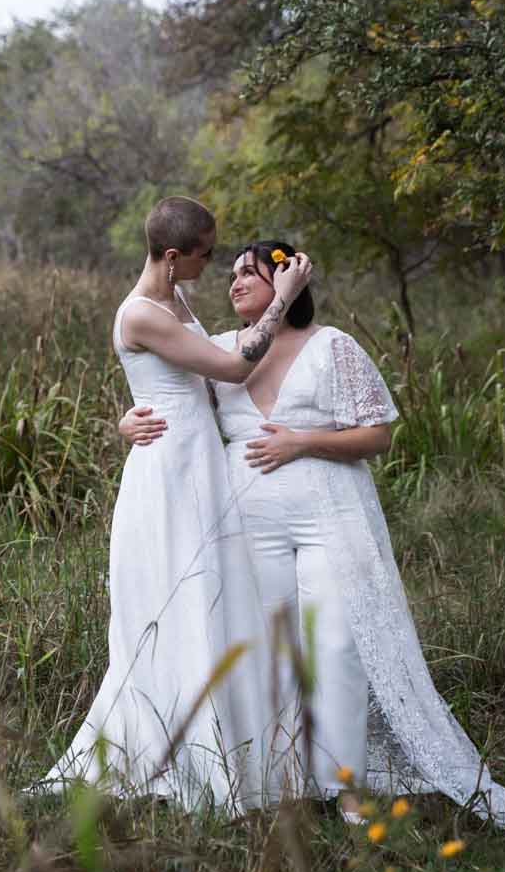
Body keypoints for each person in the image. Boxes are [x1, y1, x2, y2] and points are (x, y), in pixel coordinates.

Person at [119, 241, 505, 827]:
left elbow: (377, 436)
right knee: (268, 651)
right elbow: (173, 401)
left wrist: (303, 442)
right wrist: (129, 420)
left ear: (285, 282)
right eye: (229, 275)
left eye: (247, 274)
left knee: (336, 647)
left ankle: (347, 791)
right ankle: (284, 784)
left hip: (330, 513)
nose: (233, 285)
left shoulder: (332, 347)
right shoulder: (226, 350)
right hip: (248, 522)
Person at [38, 197, 313, 810]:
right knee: (179, 602)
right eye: (205, 254)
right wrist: (282, 299)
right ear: (170, 258)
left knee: (213, 600)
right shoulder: (140, 313)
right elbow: (236, 368)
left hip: (200, 465)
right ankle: (175, 753)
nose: (213, 264)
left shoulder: (175, 300)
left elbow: (183, 383)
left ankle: (231, 741)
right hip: (168, 476)